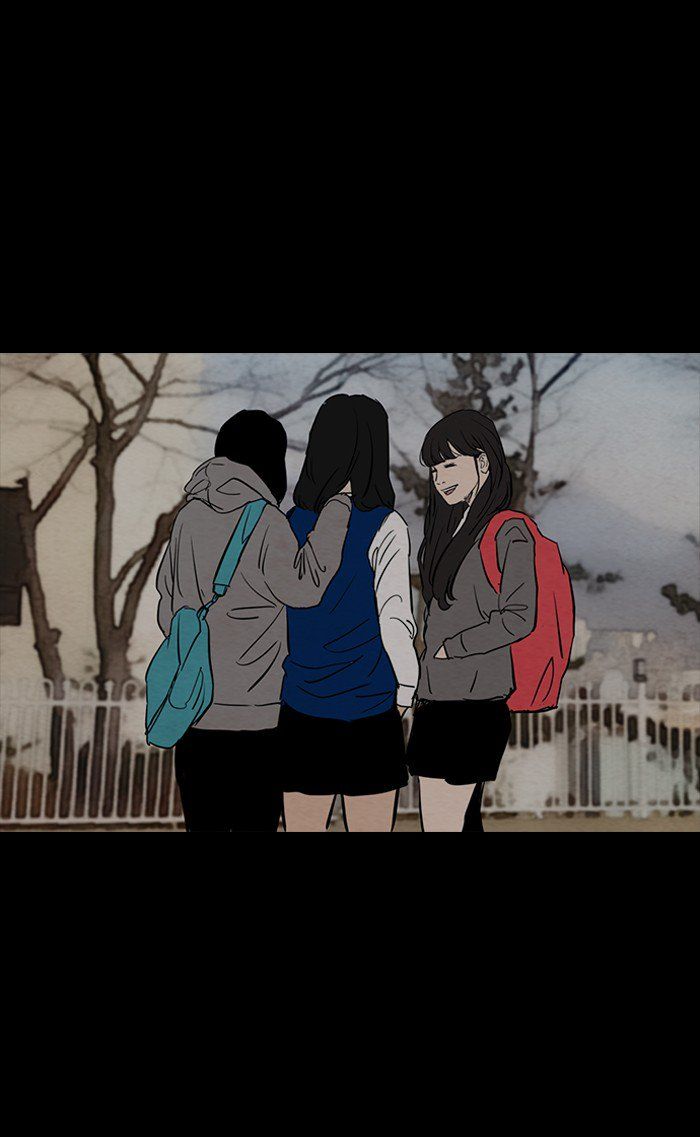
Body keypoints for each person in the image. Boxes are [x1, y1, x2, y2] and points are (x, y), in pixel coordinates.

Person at [156, 410, 351, 833]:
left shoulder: (187, 518)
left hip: (193, 713)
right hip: (254, 717)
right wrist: (337, 511)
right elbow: (304, 589)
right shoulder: (264, 520)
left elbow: (168, 604)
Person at [278, 395, 418, 833]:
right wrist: (406, 687)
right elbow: (395, 616)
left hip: (300, 703)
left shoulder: (290, 522)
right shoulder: (387, 525)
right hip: (370, 704)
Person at [406, 409, 538, 833]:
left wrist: (454, 648)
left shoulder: (508, 532)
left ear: (483, 462)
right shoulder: (444, 534)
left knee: (445, 824)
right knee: (456, 823)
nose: (440, 478)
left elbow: (519, 616)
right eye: (434, 469)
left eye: (449, 465)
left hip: (476, 703)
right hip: (436, 699)